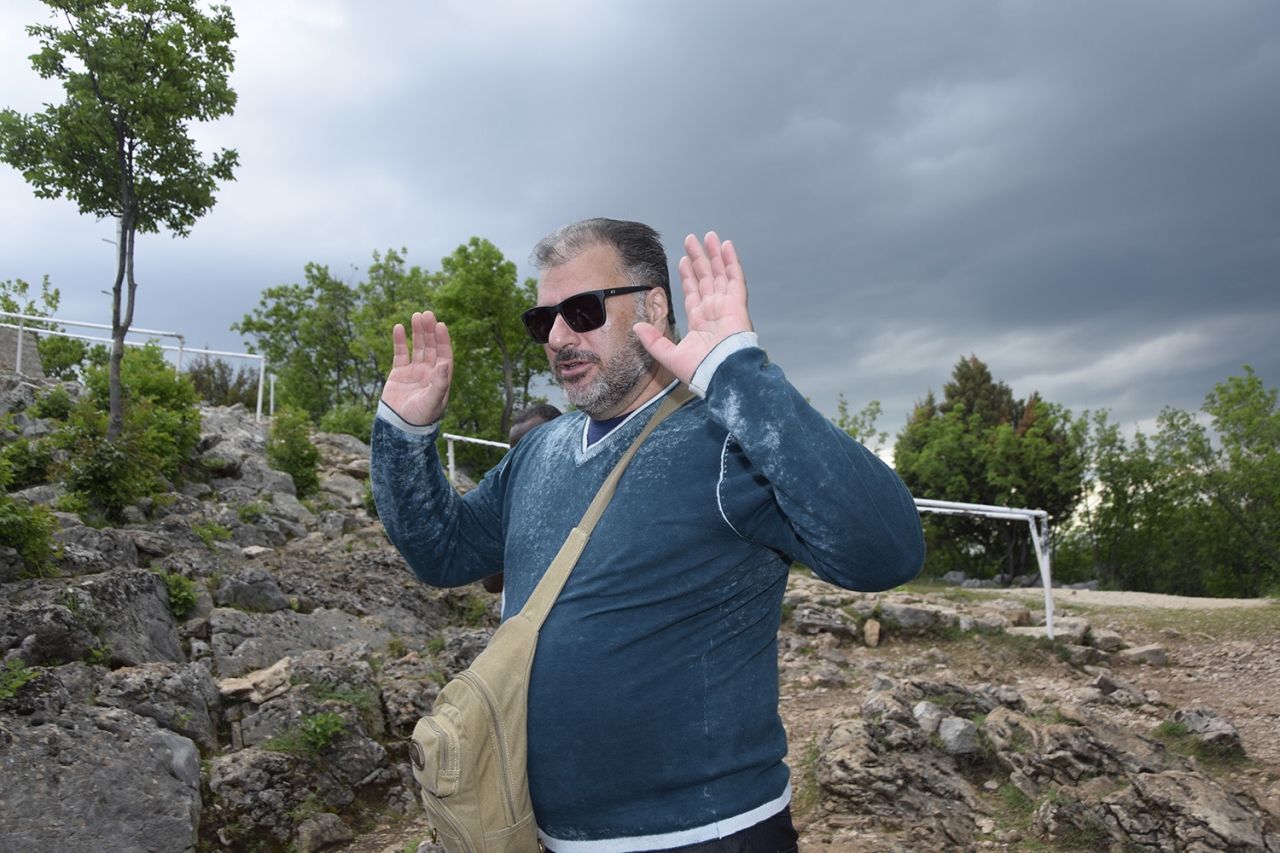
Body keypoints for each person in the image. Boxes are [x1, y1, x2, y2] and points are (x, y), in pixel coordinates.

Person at [371, 218, 924, 853]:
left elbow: (887, 553)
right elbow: (442, 553)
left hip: (709, 836)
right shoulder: (539, 451)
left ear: (654, 307)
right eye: (543, 320)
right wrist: (403, 436)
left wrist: (737, 374)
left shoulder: (727, 438)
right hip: (546, 836)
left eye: (581, 311)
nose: (558, 337)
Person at [481, 403, 563, 600]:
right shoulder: (511, 499)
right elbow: (491, 583)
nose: (522, 461)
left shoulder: (592, 490)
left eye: (533, 449)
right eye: (515, 453)